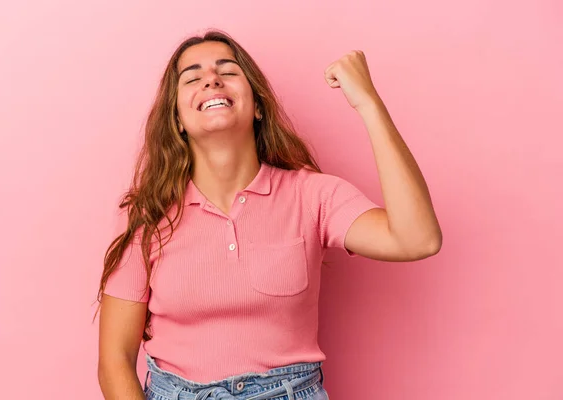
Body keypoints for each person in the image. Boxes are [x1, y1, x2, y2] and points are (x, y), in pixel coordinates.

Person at [96, 29, 442, 400]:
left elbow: (417, 238)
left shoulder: (313, 195)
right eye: (193, 78)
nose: (211, 79)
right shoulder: (146, 215)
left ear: (257, 106)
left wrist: (369, 104)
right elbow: (115, 360)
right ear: (177, 119)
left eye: (228, 72)